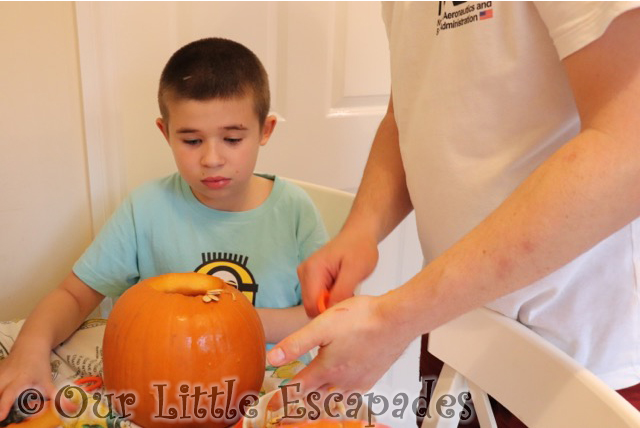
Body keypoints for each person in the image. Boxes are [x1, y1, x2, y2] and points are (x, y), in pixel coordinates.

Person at [266, 1, 640, 424]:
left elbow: (627, 148)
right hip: (451, 323)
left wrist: (395, 317)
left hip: (581, 365)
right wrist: (362, 229)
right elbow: (406, 111)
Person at [0, 37, 327, 420]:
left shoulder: (295, 212)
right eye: (191, 140)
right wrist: (30, 349)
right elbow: (73, 295)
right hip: (156, 396)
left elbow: (326, 316)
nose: (212, 159)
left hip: (270, 391)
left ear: (266, 130)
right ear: (164, 131)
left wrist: (227, 325)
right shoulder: (147, 208)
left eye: (233, 139)